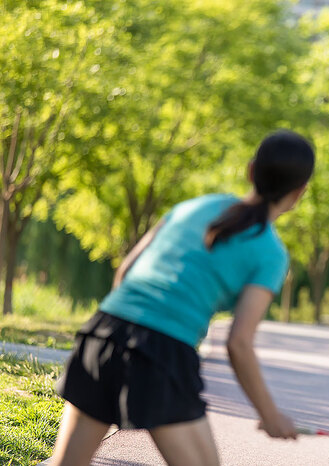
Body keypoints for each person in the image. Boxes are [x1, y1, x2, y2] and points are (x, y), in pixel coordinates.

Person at [50, 130, 315, 466]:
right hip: (162, 352)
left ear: (251, 171)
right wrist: (270, 414)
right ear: (299, 192)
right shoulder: (271, 253)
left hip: (102, 334)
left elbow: (124, 274)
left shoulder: (194, 206)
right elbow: (239, 343)